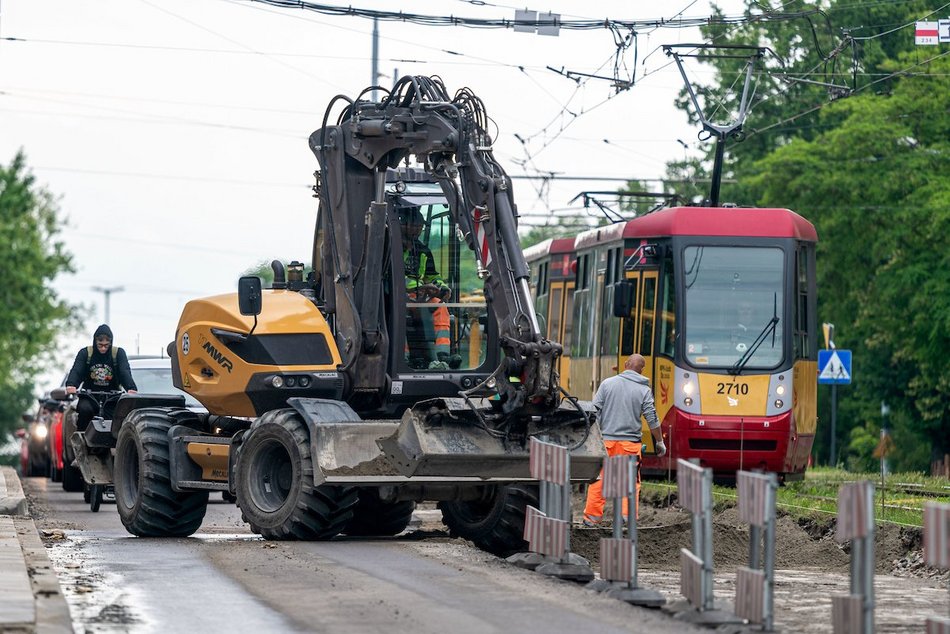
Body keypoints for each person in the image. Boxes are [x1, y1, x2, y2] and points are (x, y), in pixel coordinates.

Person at [582, 353, 666, 526]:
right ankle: (627, 519)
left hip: (606, 444)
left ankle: (591, 519)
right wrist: (659, 442)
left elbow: (594, 411)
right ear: (642, 369)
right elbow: (652, 418)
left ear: (626, 364)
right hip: (629, 446)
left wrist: (591, 437)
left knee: (599, 480)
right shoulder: (644, 390)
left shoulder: (607, 384)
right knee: (630, 483)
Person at [399, 207, 451, 369]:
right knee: (398, 313)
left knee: (440, 307)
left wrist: (441, 288)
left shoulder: (423, 251)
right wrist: (420, 287)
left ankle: (443, 355)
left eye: (420, 226)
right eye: (414, 225)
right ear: (401, 225)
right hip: (397, 297)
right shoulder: (389, 248)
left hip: (420, 298)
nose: (418, 229)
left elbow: (433, 276)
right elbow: (392, 277)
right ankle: (404, 357)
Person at [65, 324, 137, 430]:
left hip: (112, 397)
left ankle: (113, 444)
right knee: (85, 410)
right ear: (95, 342)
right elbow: (77, 370)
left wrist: (131, 388)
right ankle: (82, 438)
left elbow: (124, 371)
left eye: (106, 345)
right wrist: (71, 384)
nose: (103, 348)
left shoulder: (118, 354)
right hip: (89, 396)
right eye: (100, 345)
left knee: (115, 419)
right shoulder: (86, 353)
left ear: (111, 343)